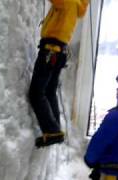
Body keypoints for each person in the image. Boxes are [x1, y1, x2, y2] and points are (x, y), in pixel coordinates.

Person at [28, 0, 89, 148]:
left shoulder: (69, 1)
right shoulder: (76, 4)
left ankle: (52, 130)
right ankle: (55, 130)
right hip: (57, 52)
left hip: (50, 51)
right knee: (49, 91)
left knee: (36, 93)